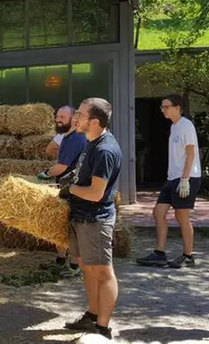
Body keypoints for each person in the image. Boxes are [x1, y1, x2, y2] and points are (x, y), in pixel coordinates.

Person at [60, 98, 122, 340]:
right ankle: (93, 314)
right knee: (87, 268)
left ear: (94, 121)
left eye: (81, 114)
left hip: (95, 219)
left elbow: (96, 194)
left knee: (103, 273)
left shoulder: (105, 150)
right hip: (81, 215)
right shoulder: (90, 140)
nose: (76, 117)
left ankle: (102, 329)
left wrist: (70, 189)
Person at [136, 94, 202, 269]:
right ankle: (160, 253)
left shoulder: (186, 126)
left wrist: (185, 179)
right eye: (162, 107)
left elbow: (190, 153)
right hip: (172, 178)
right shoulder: (174, 127)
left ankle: (188, 255)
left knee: (182, 217)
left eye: (166, 106)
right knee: (158, 212)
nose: (163, 110)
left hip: (186, 177)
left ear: (177, 107)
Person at [37, 106, 88, 278]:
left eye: (62, 116)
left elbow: (61, 167)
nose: (58, 119)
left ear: (74, 119)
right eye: (57, 116)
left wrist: (44, 174)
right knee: (61, 225)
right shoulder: (67, 137)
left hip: (73, 189)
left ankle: (74, 265)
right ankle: (61, 260)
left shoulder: (76, 138)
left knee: (72, 228)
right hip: (65, 186)